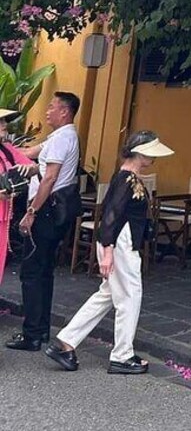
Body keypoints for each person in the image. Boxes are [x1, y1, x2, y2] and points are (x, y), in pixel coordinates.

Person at [44, 131, 174, 374]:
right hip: (121, 242)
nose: (153, 160)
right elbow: (111, 215)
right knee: (129, 297)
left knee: (106, 296)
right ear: (140, 153)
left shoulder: (127, 176)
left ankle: (65, 342)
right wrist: (108, 251)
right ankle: (122, 355)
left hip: (119, 241)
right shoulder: (126, 179)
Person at [6, 92, 81, 352]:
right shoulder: (58, 137)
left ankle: (33, 334)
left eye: (52, 107)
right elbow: (29, 155)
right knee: (43, 270)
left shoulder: (63, 139)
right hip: (51, 212)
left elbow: (49, 178)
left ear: (65, 112)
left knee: (32, 271)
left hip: (46, 212)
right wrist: (5, 143)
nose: (47, 111)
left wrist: (31, 212)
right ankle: (40, 328)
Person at [0, 108, 34, 287]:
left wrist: (27, 169)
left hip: (4, 217)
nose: (5, 126)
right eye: (1, 122)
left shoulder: (6, 150)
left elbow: (33, 167)